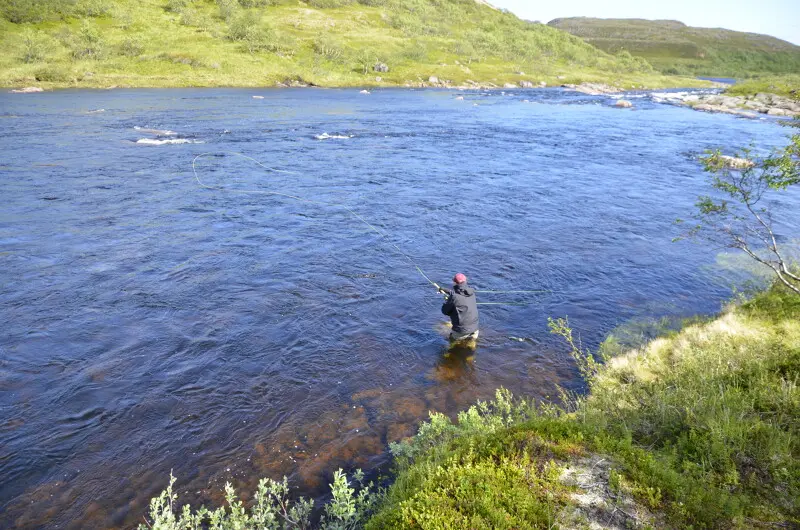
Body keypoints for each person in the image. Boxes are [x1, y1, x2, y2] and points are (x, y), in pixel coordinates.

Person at [437, 273, 479, 343]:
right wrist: (445, 290)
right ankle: (472, 345)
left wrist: (447, 301)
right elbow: (460, 293)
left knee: (452, 342)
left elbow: (444, 311)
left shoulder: (454, 297)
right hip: (475, 329)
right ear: (465, 281)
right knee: (471, 343)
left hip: (461, 331)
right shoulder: (472, 292)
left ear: (454, 283)